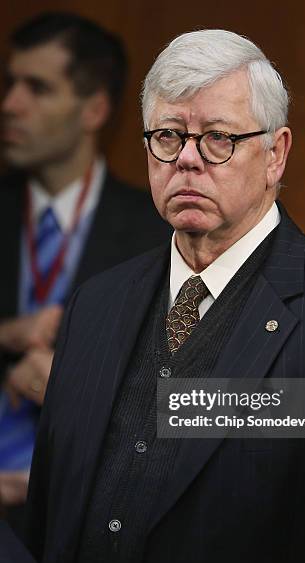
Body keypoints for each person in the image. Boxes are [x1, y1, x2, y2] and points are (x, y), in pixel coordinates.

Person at [25, 30, 305, 563]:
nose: (186, 158)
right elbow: (48, 527)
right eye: (168, 136)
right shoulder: (94, 307)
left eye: (219, 139)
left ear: (276, 153)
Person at [0, 12, 170, 522]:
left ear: (94, 109)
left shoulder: (160, 232)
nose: (9, 105)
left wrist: (73, 390)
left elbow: (183, 393)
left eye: (38, 88)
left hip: (89, 515)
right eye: (10, 83)